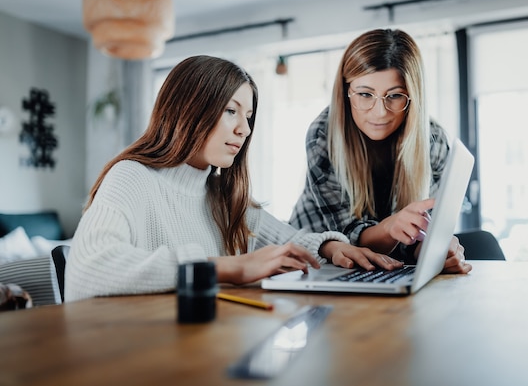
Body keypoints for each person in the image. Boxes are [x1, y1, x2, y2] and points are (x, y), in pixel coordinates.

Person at [65, 55, 402, 302]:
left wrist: (332, 247)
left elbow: (289, 240)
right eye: (231, 111)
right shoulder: (132, 177)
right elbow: (89, 268)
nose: (244, 129)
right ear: (189, 109)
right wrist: (227, 268)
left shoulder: (220, 196)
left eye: (249, 115)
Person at [289, 28, 472, 274]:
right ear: (346, 91)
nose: (380, 112)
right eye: (365, 94)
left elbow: (417, 237)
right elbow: (347, 236)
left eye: (395, 96)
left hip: (387, 265)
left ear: (413, 96)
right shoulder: (323, 135)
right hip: (319, 258)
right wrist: (390, 228)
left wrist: (435, 248)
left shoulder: (434, 140)